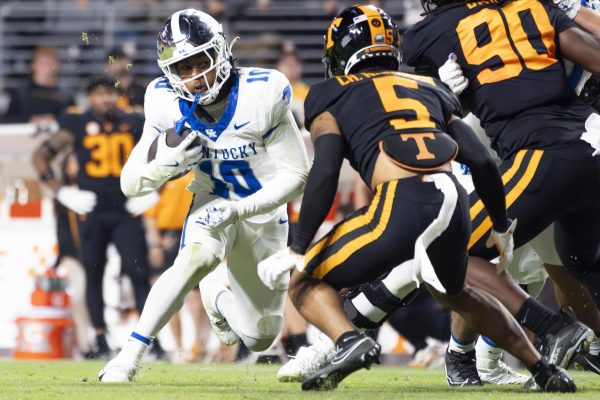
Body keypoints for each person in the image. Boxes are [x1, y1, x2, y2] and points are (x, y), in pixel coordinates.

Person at [258, 5, 574, 392]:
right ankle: (543, 368)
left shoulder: (330, 92)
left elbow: (324, 171)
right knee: (457, 293)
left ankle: (349, 341)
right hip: (454, 201)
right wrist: (501, 225)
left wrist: (298, 246)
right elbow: (480, 162)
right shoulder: (430, 87)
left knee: (303, 281)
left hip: (402, 203)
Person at [98, 9, 309, 382]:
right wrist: (166, 164)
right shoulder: (163, 101)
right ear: (169, 72)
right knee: (192, 260)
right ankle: (127, 357)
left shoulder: (263, 92)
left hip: (263, 209)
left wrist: (240, 208)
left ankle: (216, 295)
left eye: (200, 61)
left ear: (222, 52)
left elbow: (297, 175)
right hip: (211, 199)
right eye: (182, 67)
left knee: (260, 337)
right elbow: (131, 184)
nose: (194, 76)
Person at [399, 0, 600, 385]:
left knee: (554, 262)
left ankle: (527, 344)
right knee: (497, 251)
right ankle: (464, 353)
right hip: (502, 134)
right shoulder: (480, 17)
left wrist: (575, 11)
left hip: (552, 137)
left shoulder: (548, 6)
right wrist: (445, 87)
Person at [32, 75, 159, 358]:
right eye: (100, 94)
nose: (106, 99)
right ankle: (100, 339)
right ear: (89, 96)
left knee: (139, 273)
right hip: (92, 210)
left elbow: (162, 153)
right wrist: (62, 193)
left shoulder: (133, 122)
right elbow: (40, 156)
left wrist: (155, 189)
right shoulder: (76, 123)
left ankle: (149, 339)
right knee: (94, 272)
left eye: (111, 94)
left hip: (126, 208)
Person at [5, 46, 73, 124]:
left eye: (49, 63)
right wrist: (29, 120)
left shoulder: (65, 97)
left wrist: (55, 120)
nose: (46, 68)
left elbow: (74, 120)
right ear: (34, 65)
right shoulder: (19, 93)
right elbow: (8, 120)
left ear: (57, 67)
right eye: (43, 63)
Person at [105, 47, 146, 113]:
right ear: (108, 65)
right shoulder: (106, 90)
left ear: (129, 62)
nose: (117, 63)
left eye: (120, 59)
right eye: (113, 60)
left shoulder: (141, 89)